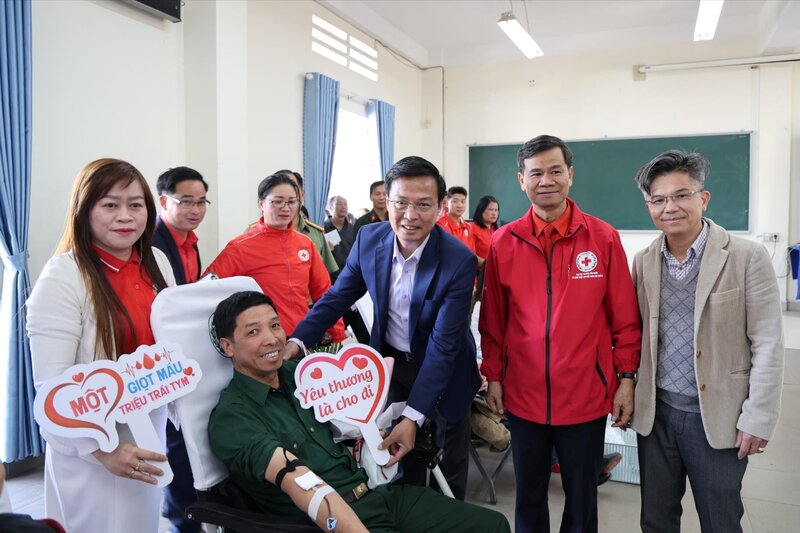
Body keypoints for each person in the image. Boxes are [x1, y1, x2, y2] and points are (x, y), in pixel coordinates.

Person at [208, 291, 510, 532]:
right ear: (227, 346)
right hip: (329, 520)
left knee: (493, 525)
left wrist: (367, 437)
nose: (272, 338)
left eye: (275, 325)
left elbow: (346, 419)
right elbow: (299, 482)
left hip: (378, 495)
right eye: (253, 332)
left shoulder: (303, 375)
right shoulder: (232, 418)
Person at [284, 156, 480, 500]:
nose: (410, 215)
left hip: (446, 369)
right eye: (400, 203)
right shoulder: (369, 239)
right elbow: (337, 297)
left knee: (447, 466)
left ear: (440, 207)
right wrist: (297, 341)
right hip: (393, 366)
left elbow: (443, 346)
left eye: (423, 205)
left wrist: (413, 417)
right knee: (399, 459)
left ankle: (447, 517)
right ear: (386, 201)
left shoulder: (457, 260)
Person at [479, 135, 641, 532]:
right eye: (536, 173)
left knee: (582, 498)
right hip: (523, 395)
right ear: (521, 180)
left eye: (555, 171)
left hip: (585, 395)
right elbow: (493, 321)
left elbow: (625, 318)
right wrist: (494, 376)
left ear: (570, 174)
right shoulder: (503, 242)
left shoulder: (602, 237)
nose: (546, 180)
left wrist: (626, 379)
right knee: (529, 497)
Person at [631, 150, 785, 532]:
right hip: (657, 417)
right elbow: (636, 335)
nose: (670, 207)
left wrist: (759, 417)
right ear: (648, 206)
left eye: (681, 195)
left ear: (703, 198)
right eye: (658, 199)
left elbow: (768, 342)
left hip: (719, 418)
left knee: (720, 521)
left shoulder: (747, 257)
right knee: (656, 520)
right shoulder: (644, 261)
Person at [27, 158, 176, 532]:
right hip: (91, 447)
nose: (125, 216)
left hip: (148, 430)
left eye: (135, 204)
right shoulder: (64, 275)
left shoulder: (155, 261)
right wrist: (102, 450)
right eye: (110, 204)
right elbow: (51, 387)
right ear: (84, 210)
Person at [204, 173, 345, 343]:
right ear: (261, 203)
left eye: (292, 202)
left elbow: (324, 292)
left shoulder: (305, 244)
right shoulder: (240, 247)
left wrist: (337, 335)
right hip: (263, 342)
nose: (286, 208)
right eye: (277, 201)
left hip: (303, 338)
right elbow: (205, 289)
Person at [153, 165, 210, 533]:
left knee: (185, 441)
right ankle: (180, 520)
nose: (196, 209)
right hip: (161, 358)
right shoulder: (153, 244)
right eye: (186, 201)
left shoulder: (190, 241)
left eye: (202, 202)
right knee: (173, 442)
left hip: (183, 353)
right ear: (163, 202)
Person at [276, 169, 340, 277]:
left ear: (302, 195)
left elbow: (326, 274)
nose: (286, 194)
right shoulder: (252, 234)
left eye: (292, 187)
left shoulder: (316, 234)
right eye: (280, 190)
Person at [437, 186, 479, 261]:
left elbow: (472, 253)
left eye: (463, 201)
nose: (460, 205)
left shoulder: (468, 226)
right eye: (455, 201)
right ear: (447, 203)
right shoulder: (440, 225)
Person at [324, 195, 355, 271]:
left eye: (345, 204)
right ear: (331, 207)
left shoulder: (353, 229)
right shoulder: (322, 228)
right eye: (339, 204)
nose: (343, 207)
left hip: (349, 272)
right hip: (329, 273)